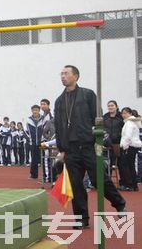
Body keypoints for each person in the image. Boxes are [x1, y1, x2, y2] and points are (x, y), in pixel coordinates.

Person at [54, 65, 126, 229]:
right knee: (75, 185)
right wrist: (62, 149)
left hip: (89, 146)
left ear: (76, 76)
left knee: (98, 179)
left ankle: (119, 203)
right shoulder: (59, 101)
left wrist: (98, 139)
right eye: (61, 74)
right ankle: (81, 219)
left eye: (66, 73)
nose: (63, 76)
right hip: (71, 150)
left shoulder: (87, 94)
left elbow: (98, 117)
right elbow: (58, 126)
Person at [119, 108, 141, 191]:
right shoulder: (133, 122)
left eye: (125, 113)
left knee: (126, 166)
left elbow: (127, 136)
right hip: (133, 146)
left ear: (130, 113)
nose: (123, 115)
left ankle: (130, 184)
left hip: (129, 146)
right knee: (131, 165)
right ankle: (133, 184)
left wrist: (124, 147)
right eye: (122, 113)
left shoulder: (129, 123)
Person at [26, 105, 45, 179]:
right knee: (34, 159)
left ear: (39, 110)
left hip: (42, 142)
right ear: (32, 111)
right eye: (33, 110)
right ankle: (34, 175)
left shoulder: (43, 119)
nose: (35, 111)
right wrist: (30, 139)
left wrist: (44, 139)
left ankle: (45, 175)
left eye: (36, 110)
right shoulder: (29, 120)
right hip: (33, 142)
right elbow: (26, 131)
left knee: (44, 158)